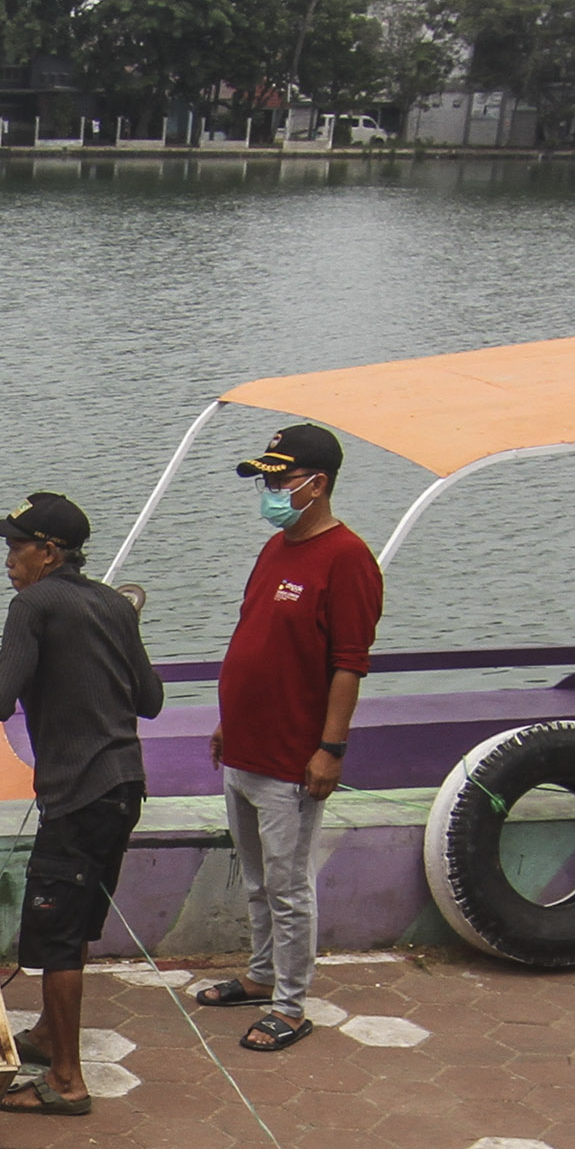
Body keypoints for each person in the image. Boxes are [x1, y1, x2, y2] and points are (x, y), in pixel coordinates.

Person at [0, 492, 163, 1118]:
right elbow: (148, 700)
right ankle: (47, 1036)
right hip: (123, 789)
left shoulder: (34, 604)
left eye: (16, 546)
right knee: (72, 924)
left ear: (49, 552)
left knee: (58, 937)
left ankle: (67, 1082)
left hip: (78, 796)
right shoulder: (113, 605)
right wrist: (120, 634)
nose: (8, 559)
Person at [199, 422, 383, 1053]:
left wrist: (330, 749)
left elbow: (349, 662)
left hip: (291, 762)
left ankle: (290, 1002)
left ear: (317, 483)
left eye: (280, 479)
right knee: (255, 877)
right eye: (267, 480)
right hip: (246, 746)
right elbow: (257, 638)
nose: (271, 490)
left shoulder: (348, 558)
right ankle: (258, 973)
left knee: (288, 885)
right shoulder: (276, 548)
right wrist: (230, 719)